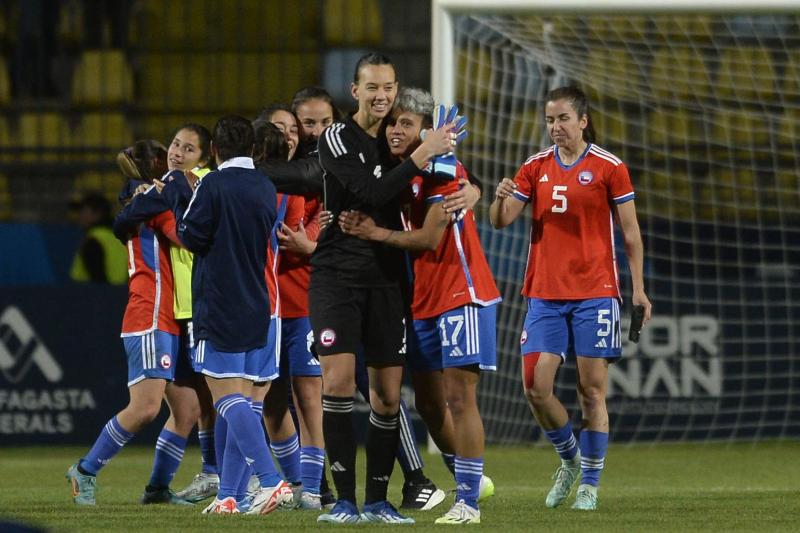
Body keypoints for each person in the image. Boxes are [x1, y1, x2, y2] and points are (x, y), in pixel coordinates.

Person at [338, 87, 500, 524]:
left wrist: (376, 234)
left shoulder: (443, 169)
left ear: (426, 131)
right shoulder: (395, 172)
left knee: (460, 398)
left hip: (461, 292)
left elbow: (429, 238)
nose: (395, 130)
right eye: (393, 122)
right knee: (429, 404)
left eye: (406, 123)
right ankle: (470, 477)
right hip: (423, 300)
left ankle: (467, 500)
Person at [488, 86, 652, 511]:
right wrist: (499, 198)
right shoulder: (534, 167)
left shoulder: (609, 167)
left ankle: (590, 485)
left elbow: (631, 233)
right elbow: (502, 221)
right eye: (549, 120)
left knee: (591, 391)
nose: (555, 127)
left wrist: (637, 288)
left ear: (582, 121)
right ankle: (570, 459)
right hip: (543, 293)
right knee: (535, 387)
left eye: (562, 119)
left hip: (595, 293)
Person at [310, 52, 454, 525]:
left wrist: (468, 189)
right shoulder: (337, 136)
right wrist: (419, 155)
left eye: (388, 88)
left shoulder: (399, 139)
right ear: (355, 91)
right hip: (337, 277)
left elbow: (441, 176)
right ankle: (344, 501)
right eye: (371, 88)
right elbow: (373, 194)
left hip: (388, 279)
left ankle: (377, 502)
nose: (380, 97)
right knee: (337, 384)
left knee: (388, 397)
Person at [166, 115, 292, 515]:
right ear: (252, 148)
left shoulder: (212, 184)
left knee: (227, 401)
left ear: (216, 150)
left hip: (219, 303)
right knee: (244, 403)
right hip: (257, 301)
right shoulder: (263, 185)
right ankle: (229, 495)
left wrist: (181, 199)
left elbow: (190, 236)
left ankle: (272, 481)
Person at [66, 140, 187, 506]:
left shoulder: (141, 197)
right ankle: (85, 470)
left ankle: (157, 489)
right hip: (150, 311)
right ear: (156, 163)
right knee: (146, 408)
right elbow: (188, 236)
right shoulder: (153, 202)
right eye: (168, 153)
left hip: (168, 312)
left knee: (187, 410)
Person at [114, 125, 219, 505]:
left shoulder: (203, 183)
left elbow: (185, 235)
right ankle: (210, 473)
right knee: (199, 403)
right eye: (175, 145)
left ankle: (226, 473)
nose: (178, 153)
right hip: (180, 310)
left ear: (205, 157)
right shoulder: (165, 191)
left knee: (212, 400)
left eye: (187, 148)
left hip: (201, 305)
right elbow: (169, 230)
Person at [69, 192, 129, 285]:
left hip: (91, 296)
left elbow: (98, 279)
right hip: (121, 294)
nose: (80, 215)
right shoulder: (119, 238)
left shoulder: (94, 240)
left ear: (97, 214)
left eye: (83, 211)